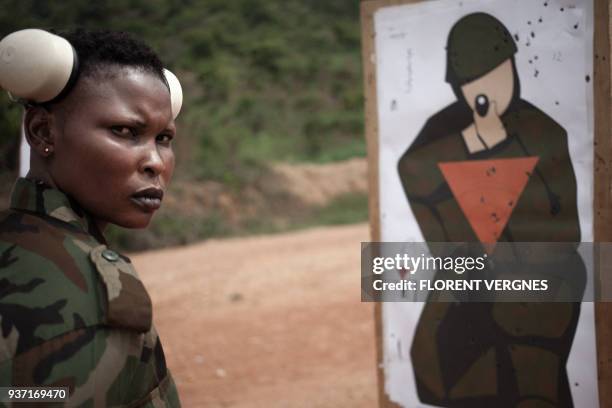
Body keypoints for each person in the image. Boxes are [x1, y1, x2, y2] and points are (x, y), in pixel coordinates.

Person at [398, 13, 585, 407]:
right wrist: (471, 148)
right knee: (438, 359)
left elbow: (565, 233)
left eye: (501, 74)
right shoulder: (441, 135)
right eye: (474, 84)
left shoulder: (543, 131)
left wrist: (502, 150)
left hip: (537, 284)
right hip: (476, 282)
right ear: (460, 89)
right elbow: (419, 182)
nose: (491, 91)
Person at [0, 28, 181, 406]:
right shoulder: (92, 302)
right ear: (41, 130)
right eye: (125, 131)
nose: (154, 162)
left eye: (163, 138)